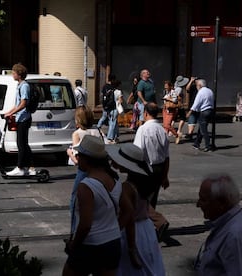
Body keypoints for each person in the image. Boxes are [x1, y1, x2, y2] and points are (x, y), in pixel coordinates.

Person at [62, 135, 135, 276]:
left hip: (90, 245)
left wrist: (73, 245)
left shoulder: (86, 186)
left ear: (86, 159)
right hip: (112, 243)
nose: (77, 157)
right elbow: (128, 210)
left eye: (79, 155)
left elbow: (85, 225)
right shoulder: (114, 179)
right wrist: (113, 229)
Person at [106, 143, 166, 276]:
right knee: (149, 265)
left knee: (130, 269)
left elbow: (128, 217)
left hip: (132, 232)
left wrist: (113, 233)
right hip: (147, 228)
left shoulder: (127, 187)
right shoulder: (145, 183)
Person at [194, 173, 242, 275]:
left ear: (221, 203)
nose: (198, 204)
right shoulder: (239, 219)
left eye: (203, 200)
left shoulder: (235, 235)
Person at [133, 102, 170, 241]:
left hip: (146, 168)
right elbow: (167, 157)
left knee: (140, 200)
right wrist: (165, 176)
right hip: (159, 168)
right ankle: (150, 229)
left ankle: (159, 222)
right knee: (151, 199)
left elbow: (137, 152)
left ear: (146, 113)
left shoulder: (143, 129)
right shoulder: (162, 130)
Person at [66, 105, 102, 218]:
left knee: (75, 199)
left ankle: (75, 227)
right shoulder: (98, 132)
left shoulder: (77, 134)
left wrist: (69, 153)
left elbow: (77, 160)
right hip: (99, 170)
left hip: (84, 171)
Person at [4, 63, 35, 176]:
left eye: (13, 72)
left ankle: (20, 167)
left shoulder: (24, 86)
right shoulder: (20, 85)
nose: (12, 74)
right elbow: (17, 104)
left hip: (24, 118)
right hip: (21, 118)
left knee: (21, 144)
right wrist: (8, 112)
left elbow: (23, 103)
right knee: (23, 144)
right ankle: (29, 167)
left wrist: (12, 113)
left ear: (19, 74)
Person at [186, 79, 214, 152]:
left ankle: (208, 146)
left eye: (197, 85)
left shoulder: (201, 92)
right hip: (210, 111)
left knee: (203, 130)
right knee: (201, 127)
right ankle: (197, 143)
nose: (196, 87)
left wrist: (190, 112)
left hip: (204, 111)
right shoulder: (210, 91)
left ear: (200, 85)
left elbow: (196, 103)